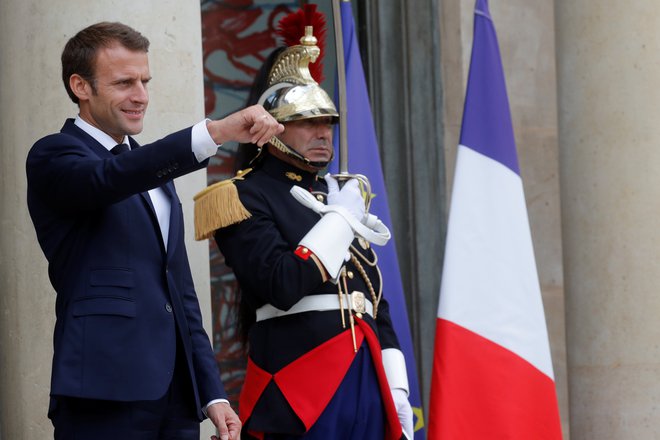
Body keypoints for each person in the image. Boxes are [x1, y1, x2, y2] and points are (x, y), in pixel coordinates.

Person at [25, 21, 283, 440]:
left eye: (145, 81)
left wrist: (212, 394)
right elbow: (108, 179)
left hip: (177, 397)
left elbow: (179, 292)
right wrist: (214, 132)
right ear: (80, 86)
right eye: (124, 82)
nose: (141, 96)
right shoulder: (54, 155)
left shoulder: (154, 171)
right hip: (103, 393)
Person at [194, 10, 414, 440]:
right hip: (298, 385)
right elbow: (282, 283)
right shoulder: (242, 196)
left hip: (366, 377)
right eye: (306, 122)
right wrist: (340, 220)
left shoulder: (339, 192)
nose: (323, 133)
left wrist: (397, 385)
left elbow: (373, 298)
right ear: (273, 127)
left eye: (327, 122)